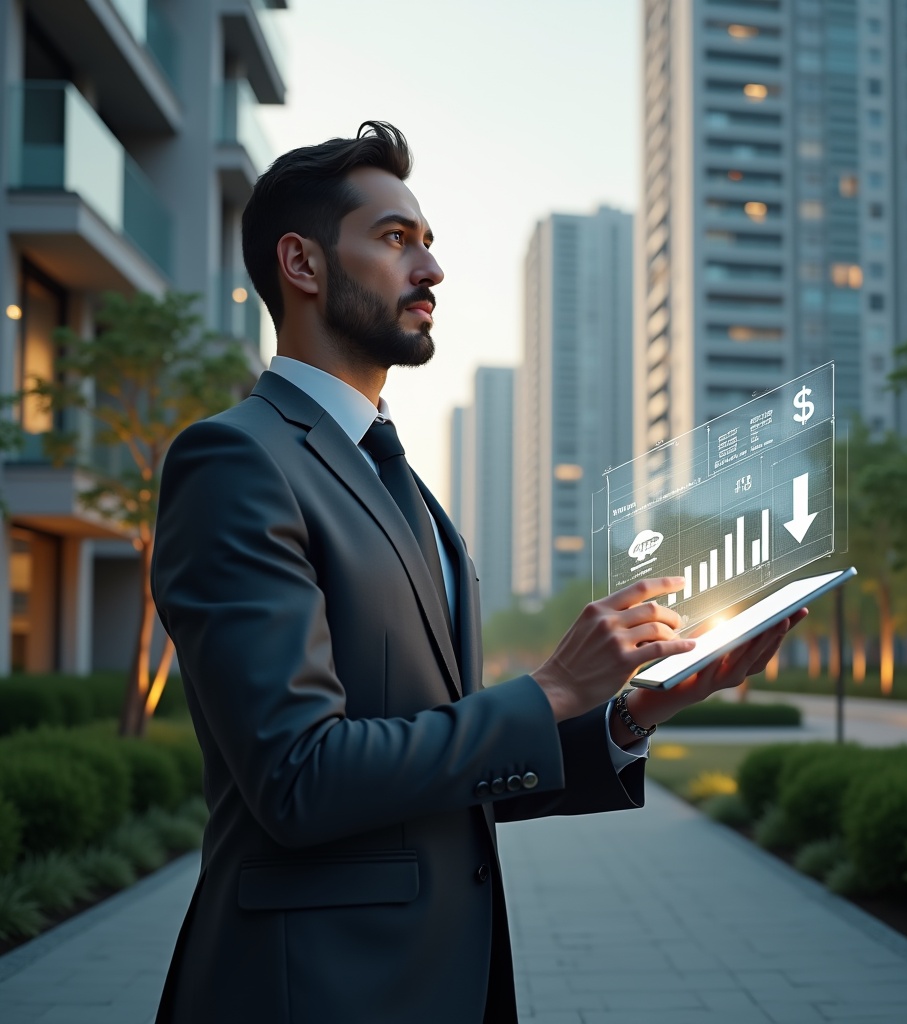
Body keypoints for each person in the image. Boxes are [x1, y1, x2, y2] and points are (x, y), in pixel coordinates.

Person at [151, 121, 803, 1024]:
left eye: (428, 241)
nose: (431, 269)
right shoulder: (234, 462)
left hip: (442, 983)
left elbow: (443, 766)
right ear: (300, 264)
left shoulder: (403, 485)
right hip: (315, 990)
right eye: (395, 239)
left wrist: (630, 712)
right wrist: (550, 689)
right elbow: (298, 777)